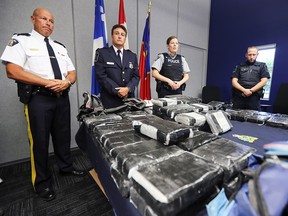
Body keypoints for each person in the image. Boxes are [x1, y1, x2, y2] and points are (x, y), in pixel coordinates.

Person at [1, 8, 85, 201]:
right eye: (44, 19)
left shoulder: (60, 47)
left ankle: (65, 167)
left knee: (63, 136)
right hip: (39, 99)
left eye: (52, 21)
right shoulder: (21, 41)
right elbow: (12, 71)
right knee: (39, 142)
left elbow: (72, 72)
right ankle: (41, 182)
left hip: (62, 97)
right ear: (33, 19)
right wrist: (46, 82)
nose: (49, 23)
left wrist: (67, 82)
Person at [94, 24, 140, 109]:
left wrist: (128, 88)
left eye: (122, 35)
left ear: (125, 39)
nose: (119, 36)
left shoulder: (132, 56)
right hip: (109, 100)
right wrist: (117, 91)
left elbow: (136, 76)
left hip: (128, 100)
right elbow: (101, 75)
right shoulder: (102, 53)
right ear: (112, 37)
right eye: (116, 33)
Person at [231, 46, 270, 111]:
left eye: (254, 55)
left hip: (254, 97)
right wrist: (244, 90)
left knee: (254, 118)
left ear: (257, 55)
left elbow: (264, 81)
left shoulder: (262, 66)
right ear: (246, 55)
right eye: (249, 55)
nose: (251, 57)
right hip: (239, 96)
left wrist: (251, 91)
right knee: (236, 117)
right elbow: (234, 82)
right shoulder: (239, 66)